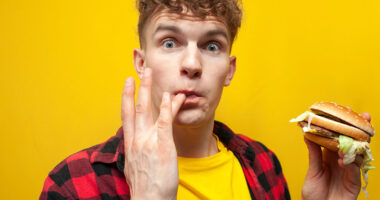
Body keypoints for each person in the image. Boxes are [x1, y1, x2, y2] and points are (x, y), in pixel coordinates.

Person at [40, 0, 370, 199]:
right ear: (142, 64)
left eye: (211, 46)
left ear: (229, 69)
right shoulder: (74, 185)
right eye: (170, 43)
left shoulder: (264, 164)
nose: (193, 65)